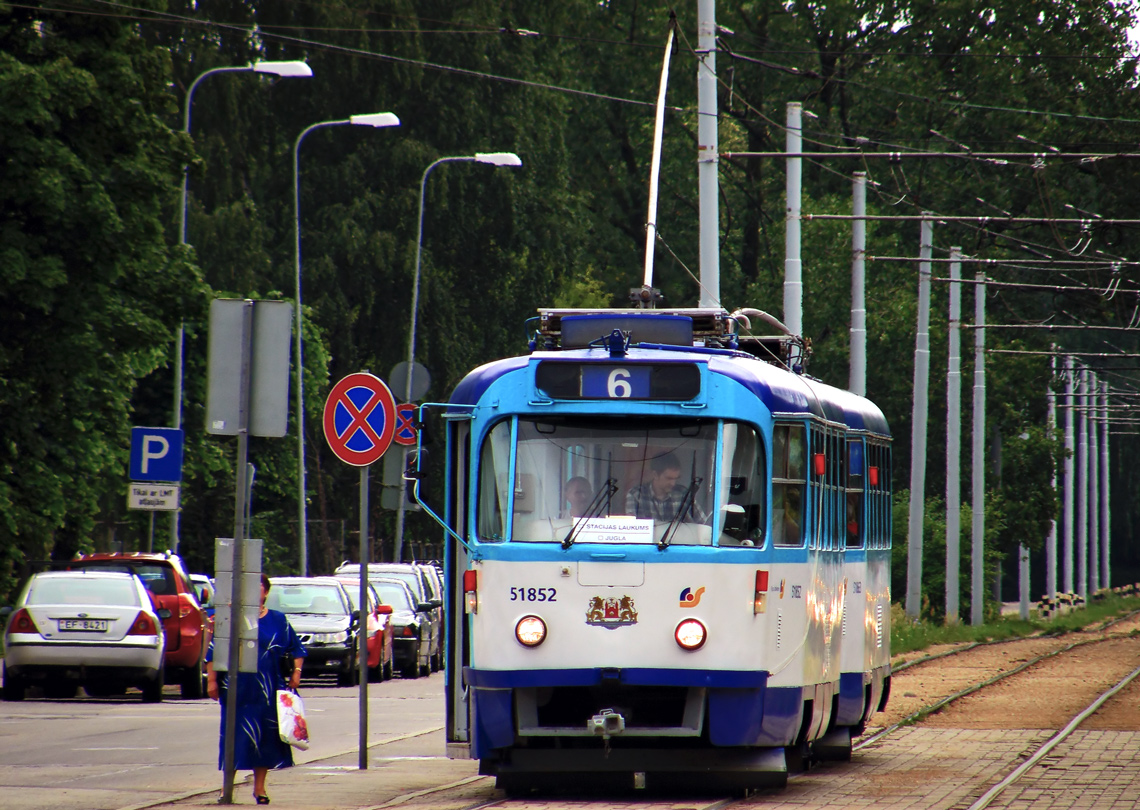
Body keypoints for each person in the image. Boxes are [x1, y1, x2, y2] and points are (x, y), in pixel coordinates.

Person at [206, 573, 306, 805]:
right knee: (233, 737)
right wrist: (211, 680)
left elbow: (297, 649)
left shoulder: (279, 620)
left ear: (266, 592)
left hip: (269, 689)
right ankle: (226, 787)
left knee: (265, 738)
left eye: (258, 586)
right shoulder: (231, 619)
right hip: (237, 689)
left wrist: (297, 672)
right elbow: (214, 651)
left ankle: (259, 788)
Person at [624, 452, 705, 522]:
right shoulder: (635, 495)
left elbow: (704, 524)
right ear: (655, 475)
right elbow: (631, 528)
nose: (673, 483)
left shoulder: (684, 494)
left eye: (675, 478)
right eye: (669, 478)